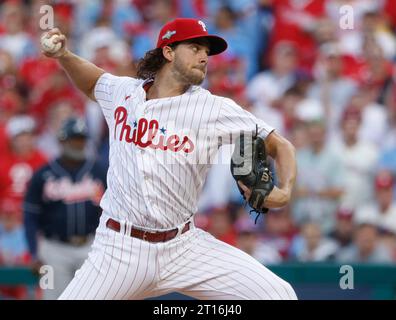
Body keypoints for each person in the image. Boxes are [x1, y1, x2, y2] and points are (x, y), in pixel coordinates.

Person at [41, 18, 297, 300]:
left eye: (207, 52)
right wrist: (63, 55)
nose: (204, 57)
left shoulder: (213, 108)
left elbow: (281, 146)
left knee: (278, 295)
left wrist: (284, 193)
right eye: (195, 47)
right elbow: (93, 83)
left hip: (184, 247)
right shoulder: (124, 93)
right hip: (119, 249)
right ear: (168, 51)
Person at [23, 117, 107, 300]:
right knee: (49, 296)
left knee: (93, 296)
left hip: (90, 247)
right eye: (74, 139)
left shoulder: (99, 171)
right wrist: (34, 253)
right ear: (62, 141)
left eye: (82, 139)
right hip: (52, 249)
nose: (78, 144)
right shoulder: (42, 174)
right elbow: (30, 216)